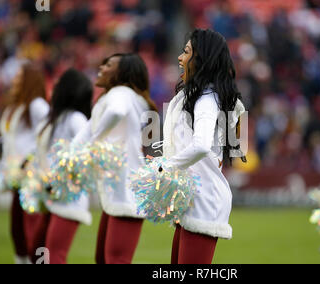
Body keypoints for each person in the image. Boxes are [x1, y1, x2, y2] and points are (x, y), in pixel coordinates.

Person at [164, 28, 246, 264]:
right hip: (192, 198)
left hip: (204, 201)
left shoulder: (207, 99)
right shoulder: (197, 96)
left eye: (187, 52)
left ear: (202, 59)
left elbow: (200, 145)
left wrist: (165, 168)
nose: (180, 58)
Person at [72, 53, 157, 264]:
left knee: (115, 260)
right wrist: (69, 158)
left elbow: (116, 112)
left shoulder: (121, 93)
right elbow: (87, 130)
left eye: (109, 64)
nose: (102, 67)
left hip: (125, 191)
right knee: (104, 259)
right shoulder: (123, 95)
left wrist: (95, 143)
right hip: (120, 189)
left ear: (123, 73)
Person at [29, 68, 93, 264]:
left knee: (54, 255)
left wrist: (62, 178)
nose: (53, 86)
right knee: (37, 251)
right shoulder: (54, 117)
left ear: (67, 89)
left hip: (69, 197)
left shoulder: (76, 119)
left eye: (58, 83)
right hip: (50, 194)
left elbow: (86, 155)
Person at [0, 63, 49, 264]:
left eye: (19, 76)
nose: (14, 80)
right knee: (17, 230)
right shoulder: (16, 107)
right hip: (16, 175)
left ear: (29, 80)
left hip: (32, 176)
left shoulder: (38, 105)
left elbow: (48, 134)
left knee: (33, 229)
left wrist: (30, 159)